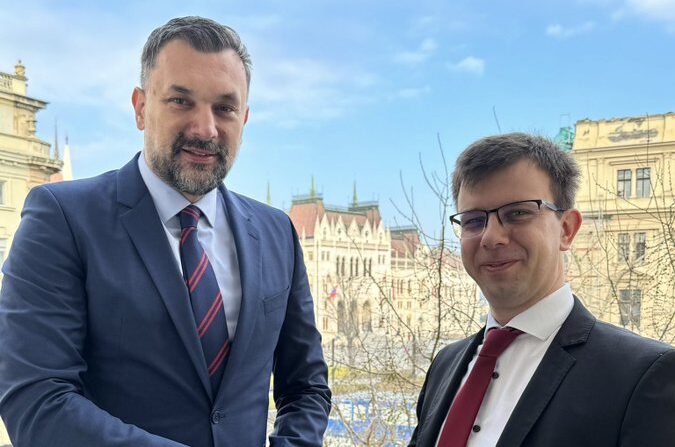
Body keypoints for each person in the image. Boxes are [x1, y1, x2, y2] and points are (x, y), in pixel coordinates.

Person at [0, 16, 330, 447]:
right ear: (140, 108)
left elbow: (307, 387)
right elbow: (37, 400)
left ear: (244, 119)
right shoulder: (62, 218)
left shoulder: (276, 232)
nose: (205, 129)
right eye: (180, 101)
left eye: (224, 108)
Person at [409, 133, 675, 447]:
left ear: (567, 229)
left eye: (517, 213)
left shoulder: (642, 375)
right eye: (474, 220)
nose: (491, 237)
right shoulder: (445, 364)